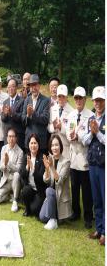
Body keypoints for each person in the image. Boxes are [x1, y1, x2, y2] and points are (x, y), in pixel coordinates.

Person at [66, 86, 94, 229]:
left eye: (80, 98)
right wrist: (71, 136)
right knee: (75, 187)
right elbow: (67, 132)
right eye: (76, 98)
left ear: (85, 99)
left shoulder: (90, 116)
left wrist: (78, 137)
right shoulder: (71, 115)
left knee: (86, 189)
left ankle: (88, 216)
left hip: (84, 157)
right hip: (73, 157)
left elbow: (90, 137)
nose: (78, 101)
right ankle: (76, 212)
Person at [83, 86, 105, 245]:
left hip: (103, 165)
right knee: (96, 198)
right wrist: (91, 133)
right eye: (96, 100)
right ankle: (98, 228)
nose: (97, 103)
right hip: (92, 163)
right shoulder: (90, 118)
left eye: (100, 100)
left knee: (105, 199)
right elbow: (84, 140)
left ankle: (105, 232)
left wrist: (97, 132)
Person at [39, 134, 72, 230]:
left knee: (49, 190)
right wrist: (47, 169)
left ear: (60, 146)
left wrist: (52, 167)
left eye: (56, 145)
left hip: (60, 199)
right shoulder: (50, 158)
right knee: (42, 217)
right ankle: (53, 218)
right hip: (51, 198)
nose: (54, 148)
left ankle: (54, 220)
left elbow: (60, 181)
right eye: (52, 145)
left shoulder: (66, 162)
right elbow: (46, 180)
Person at [0, 127, 23, 211]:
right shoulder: (4, 148)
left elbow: (18, 169)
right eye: (9, 136)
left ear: (16, 138)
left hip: (15, 180)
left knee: (17, 175)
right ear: (6, 138)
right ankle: (9, 195)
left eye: (13, 136)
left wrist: (8, 162)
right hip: (6, 180)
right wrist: (5, 165)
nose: (11, 139)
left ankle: (15, 200)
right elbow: (1, 167)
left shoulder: (20, 152)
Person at [21, 74, 50, 155]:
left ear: (39, 86)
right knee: (29, 165)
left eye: (35, 85)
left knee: (40, 166)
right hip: (29, 141)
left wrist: (33, 113)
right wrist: (28, 116)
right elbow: (23, 120)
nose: (33, 88)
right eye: (31, 85)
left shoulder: (46, 100)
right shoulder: (27, 100)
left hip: (41, 142)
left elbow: (45, 119)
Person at [20, 134, 48, 217]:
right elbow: (22, 175)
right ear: (28, 145)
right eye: (31, 143)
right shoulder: (26, 157)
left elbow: (42, 179)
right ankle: (27, 209)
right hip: (30, 188)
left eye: (35, 143)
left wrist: (33, 169)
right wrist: (27, 168)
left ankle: (33, 206)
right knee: (25, 190)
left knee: (35, 211)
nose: (33, 145)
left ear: (38, 145)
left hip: (39, 189)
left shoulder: (43, 158)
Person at [47, 84, 73, 154]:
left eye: (63, 96)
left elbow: (72, 130)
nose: (61, 99)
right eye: (59, 96)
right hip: (53, 146)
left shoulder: (72, 112)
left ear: (67, 97)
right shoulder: (52, 109)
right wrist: (53, 127)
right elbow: (48, 126)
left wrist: (61, 127)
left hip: (65, 147)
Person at [1, 78, 25, 150]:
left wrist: (12, 113)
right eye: (9, 87)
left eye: (12, 86)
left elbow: (22, 117)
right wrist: (5, 114)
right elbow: (3, 118)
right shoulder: (5, 102)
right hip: (7, 137)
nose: (10, 88)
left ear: (16, 87)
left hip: (18, 137)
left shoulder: (22, 101)